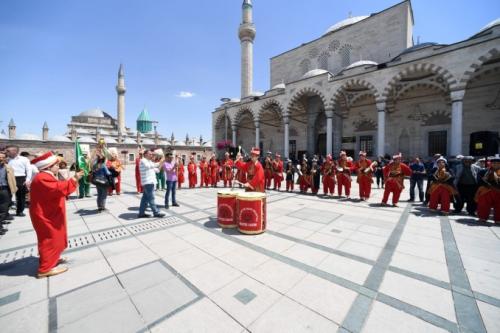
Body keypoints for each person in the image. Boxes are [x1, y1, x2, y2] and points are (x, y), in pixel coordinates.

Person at [29, 152, 83, 278]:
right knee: (49, 239)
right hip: (45, 215)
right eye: (56, 165)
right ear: (48, 166)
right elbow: (58, 188)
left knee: (55, 238)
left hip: (49, 213)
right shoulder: (42, 177)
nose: (58, 167)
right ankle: (45, 269)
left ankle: (52, 259)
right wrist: (74, 178)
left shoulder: (45, 175)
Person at [6, 145, 32, 217]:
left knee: (21, 196)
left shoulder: (24, 159)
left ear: (15, 151)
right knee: (7, 196)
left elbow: (28, 169)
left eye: (8, 151)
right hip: (9, 178)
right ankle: (6, 213)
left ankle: (20, 211)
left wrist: (27, 180)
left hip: (20, 178)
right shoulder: (6, 159)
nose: (6, 152)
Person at [138, 150, 165, 218]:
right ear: (145, 154)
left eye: (152, 154)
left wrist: (162, 163)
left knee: (145, 199)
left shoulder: (149, 162)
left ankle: (141, 213)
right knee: (151, 198)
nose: (151, 155)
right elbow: (149, 166)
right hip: (148, 182)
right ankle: (156, 212)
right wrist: (160, 162)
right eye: (150, 154)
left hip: (150, 182)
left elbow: (157, 170)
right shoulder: (143, 160)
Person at [475, 157, 500, 223]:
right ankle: (482, 218)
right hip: (485, 191)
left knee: (499, 206)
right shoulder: (483, 171)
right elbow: (479, 181)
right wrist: (487, 184)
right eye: (494, 163)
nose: (496, 164)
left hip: (498, 192)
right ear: (491, 164)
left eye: (498, 163)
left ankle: (498, 220)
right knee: (483, 205)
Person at [0, 151, 17, 235]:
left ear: (6, 158)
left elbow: (12, 179)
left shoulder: (8, 167)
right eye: (0, 157)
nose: (1, 158)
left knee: (4, 209)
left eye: (3, 157)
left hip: (5, 189)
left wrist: (13, 188)